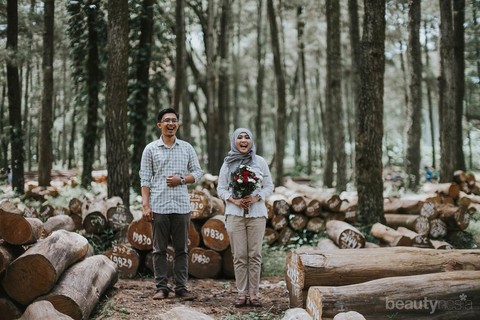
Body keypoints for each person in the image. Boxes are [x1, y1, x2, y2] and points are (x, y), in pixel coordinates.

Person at [140, 108, 203, 301]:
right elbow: (145, 179)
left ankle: (181, 288)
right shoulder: (150, 149)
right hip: (159, 206)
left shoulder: (186, 148)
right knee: (159, 250)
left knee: (181, 249)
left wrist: (181, 179)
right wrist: (146, 205)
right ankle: (161, 287)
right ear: (159, 124)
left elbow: (198, 173)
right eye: (166, 120)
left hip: (181, 207)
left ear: (178, 124)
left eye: (174, 120)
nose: (171, 123)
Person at [216, 128, 274, 308]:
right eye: (239, 137)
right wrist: (233, 199)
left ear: (251, 141)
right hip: (235, 214)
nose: (243, 140)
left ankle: (254, 294)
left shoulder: (260, 162)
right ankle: (241, 293)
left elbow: (269, 185)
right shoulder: (227, 163)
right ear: (234, 141)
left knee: (254, 255)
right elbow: (221, 189)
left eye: (246, 137)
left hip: (256, 214)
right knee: (239, 255)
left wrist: (257, 197)